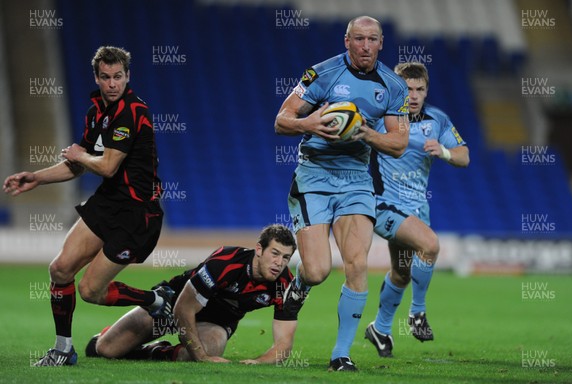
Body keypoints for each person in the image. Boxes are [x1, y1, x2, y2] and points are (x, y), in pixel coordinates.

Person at [3, 46, 173, 366]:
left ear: (128, 76)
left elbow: (106, 166)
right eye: (106, 77)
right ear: (97, 77)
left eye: (118, 77)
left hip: (137, 213)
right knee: (59, 269)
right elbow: (76, 165)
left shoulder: (133, 111)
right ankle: (63, 349)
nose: (112, 84)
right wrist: (36, 178)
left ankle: (154, 299)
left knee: (91, 290)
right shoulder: (97, 109)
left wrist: (79, 156)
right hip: (107, 203)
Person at [274, 16, 410, 371]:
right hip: (315, 174)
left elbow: (398, 143)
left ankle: (341, 355)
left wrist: (366, 134)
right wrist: (309, 122)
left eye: (372, 40)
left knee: (358, 263)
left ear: (381, 43)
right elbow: (281, 119)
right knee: (318, 270)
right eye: (359, 39)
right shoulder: (321, 74)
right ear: (347, 40)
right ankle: (300, 284)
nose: (365, 46)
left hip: (355, 179)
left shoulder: (394, 86)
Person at [364, 62, 470, 357]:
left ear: (426, 91)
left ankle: (380, 329)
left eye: (419, 89)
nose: (413, 95)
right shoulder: (380, 116)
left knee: (401, 273)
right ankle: (417, 314)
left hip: (416, 208)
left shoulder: (436, 119)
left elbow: (464, 156)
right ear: (396, 89)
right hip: (383, 203)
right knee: (430, 244)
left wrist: (445, 152)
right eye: (407, 89)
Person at [85, 224, 298, 364]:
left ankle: (154, 352)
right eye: (275, 253)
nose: (279, 263)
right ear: (259, 250)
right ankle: (114, 337)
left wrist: (259, 362)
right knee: (104, 349)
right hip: (171, 304)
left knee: (211, 346)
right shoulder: (225, 262)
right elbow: (184, 308)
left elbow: (283, 345)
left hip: (216, 322)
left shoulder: (286, 285)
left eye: (286, 258)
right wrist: (201, 356)